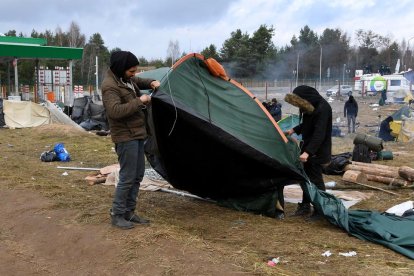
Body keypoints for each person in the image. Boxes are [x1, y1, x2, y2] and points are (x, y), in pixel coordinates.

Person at [102, 51, 160, 229]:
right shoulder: (110, 86)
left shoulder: (125, 79)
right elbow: (115, 111)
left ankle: (129, 212)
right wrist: (140, 101)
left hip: (137, 133)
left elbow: (138, 81)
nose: (134, 74)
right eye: (131, 71)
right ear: (121, 69)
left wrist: (151, 82)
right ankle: (117, 214)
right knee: (127, 177)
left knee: (137, 176)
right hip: (125, 136)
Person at [284, 85, 332, 220]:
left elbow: (319, 133)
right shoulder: (310, 107)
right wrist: (293, 130)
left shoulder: (323, 108)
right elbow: (307, 124)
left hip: (317, 151)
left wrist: (308, 153)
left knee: (316, 181)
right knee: (305, 179)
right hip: (308, 148)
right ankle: (305, 206)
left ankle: (320, 209)